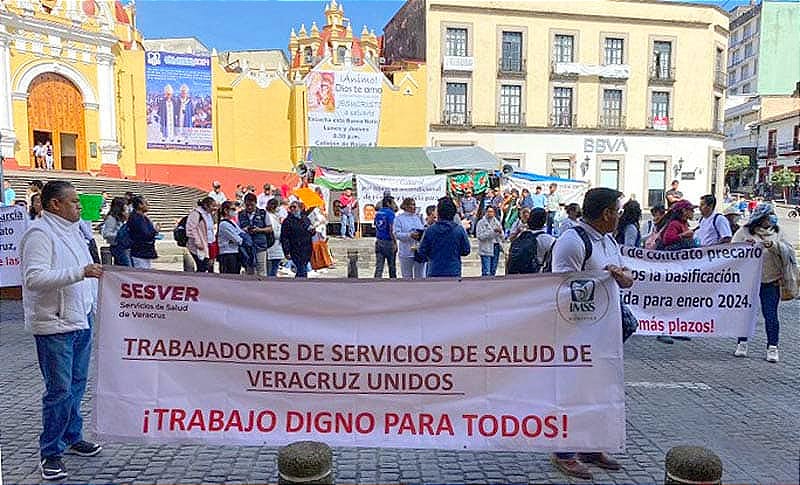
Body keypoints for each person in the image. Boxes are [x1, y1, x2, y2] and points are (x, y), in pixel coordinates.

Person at [19, 181, 104, 481]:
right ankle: (50, 452)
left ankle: (72, 435)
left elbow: (86, 272)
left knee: (77, 383)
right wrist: (82, 272)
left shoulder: (75, 232)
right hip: (55, 325)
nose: (80, 206)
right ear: (55, 204)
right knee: (59, 390)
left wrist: (93, 299)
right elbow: (34, 278)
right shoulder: (40, 233)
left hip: (81, 319)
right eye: (74, 202)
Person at [549, 187, 632, 480]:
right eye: (617, 211)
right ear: (606, 213)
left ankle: (590, 445)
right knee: (572, 391)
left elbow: (628, 278)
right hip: (577, 333)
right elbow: (560, 288)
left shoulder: (609, 241)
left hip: (605, 334)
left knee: (598, 390)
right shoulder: (573, 241)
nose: (620, 216)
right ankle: (564, 451)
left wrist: (622, 277)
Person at [732, 204, 788, 363]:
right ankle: (742, 343)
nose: (771, 219)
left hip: (771, 281)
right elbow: (731, 251)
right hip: (749, 281)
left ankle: (772, 347)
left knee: (770, 315)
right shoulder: (744, 232)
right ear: (759, 218)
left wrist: (774, 246)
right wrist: (745, 246)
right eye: (768, 216)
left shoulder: (777, 232)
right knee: (746, 313)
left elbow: (788, 252)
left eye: (772, 216)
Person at [416, 197, 471, 278]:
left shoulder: (430, 230)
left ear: (438, 213)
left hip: (434, 270)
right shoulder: (459, 230)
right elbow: (466, 250)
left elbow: (422, 251)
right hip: (453, 271)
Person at [238, 193, 272, 277]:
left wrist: (259, 230)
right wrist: (244, 230)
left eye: (251, 205)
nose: (249, 207)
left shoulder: (263, 213)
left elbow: (270, 228)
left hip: (260, 245)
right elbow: (237, 230)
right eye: (247, 205)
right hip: (247, 247)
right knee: (249, 270)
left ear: (256, 203)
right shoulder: (240, 214)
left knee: (261, 270)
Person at [281, 201, 314, 278]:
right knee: (301, 268)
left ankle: (299, 283)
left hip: (306, 248)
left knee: (303, 268)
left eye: (294, 207)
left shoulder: (305, 219)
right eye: (291, 207)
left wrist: (313, 231)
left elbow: (310, 231)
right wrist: (286, 251)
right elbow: (284, 237)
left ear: (299, 208)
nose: (292, 209)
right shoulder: (288, 221)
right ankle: (301, 284)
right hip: (295, 248)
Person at [394, 197, 425, 279]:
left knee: (420, 275)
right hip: (406, 251)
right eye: (412, 204)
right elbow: (396, 234)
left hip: (418, 251)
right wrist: (409, 235)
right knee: (407, 276)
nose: (414, 207)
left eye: (415, 204)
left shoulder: (418, 217)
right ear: (406, 206)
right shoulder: (399, 218)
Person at [186, 196, 217, 273]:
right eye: (213, 206)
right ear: (206, 205)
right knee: (202, 267)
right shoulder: (196, 214)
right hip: (199, 246)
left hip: (210, 244)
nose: (214, 208)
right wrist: (198, 242)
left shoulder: (208, 214)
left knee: (210, 267)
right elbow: (191, 229)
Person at [127, 196, 158, 269]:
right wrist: (155, 231)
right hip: (140, 251)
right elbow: (145, 234)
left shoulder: (141, 217)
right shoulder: (136, 218)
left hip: (144, 251)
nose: (148, 205)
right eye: (146, 203)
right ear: (140, 205)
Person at [101, 197, 130, 266]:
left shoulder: (121, 217)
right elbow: (106, 234)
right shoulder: (112, 218)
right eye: (125, 205)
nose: (126, 207)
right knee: (126, 266)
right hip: (117, 246)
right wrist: (120, 235)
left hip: (123, 246)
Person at [476, 206, 504, 276]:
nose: (490, 213)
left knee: (493, 270)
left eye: (491, 212)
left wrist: (500, 232)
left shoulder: (497, 222)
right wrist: (492, 232)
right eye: (488, 212)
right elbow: (480, 236)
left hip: (496, 247)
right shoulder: (481, 223)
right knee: (486, 271)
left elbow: (502, 237)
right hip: (486, 248)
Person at [374, 195, 397, 278]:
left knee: (379, 267)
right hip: (388, 241)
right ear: (388, 203)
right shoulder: (390, 213)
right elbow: (391, 229)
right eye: (393, 203)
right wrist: (394, 242)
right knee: (392, 267)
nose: (394, 205)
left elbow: (376, 226)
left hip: (379, 240)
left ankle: (375, 284)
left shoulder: (378, 213)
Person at [217, 201, 243, 274]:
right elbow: (238, 240)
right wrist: (239, 237)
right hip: (227, 254)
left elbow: (241, 232)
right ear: (226, 210)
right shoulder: (224, 224)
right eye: (233, 209)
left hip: (235, 252)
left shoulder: (232, 222)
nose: (235, 211)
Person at [265, 198, 285, 277]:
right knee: (271, 271)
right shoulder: (269, 216)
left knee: (274, 269)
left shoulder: (275, 216)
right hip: (272, 246)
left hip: (277, 247)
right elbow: (274, 232)